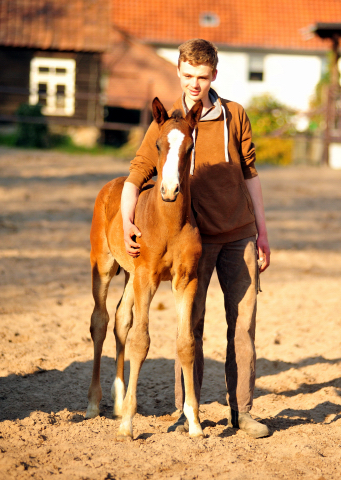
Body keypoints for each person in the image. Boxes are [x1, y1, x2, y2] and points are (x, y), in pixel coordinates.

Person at [121, 38, 271, 439]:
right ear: (179, 72)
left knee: (243, 326)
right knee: (192, 325)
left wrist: (262, 233)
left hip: (239, 233)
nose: (195, 83)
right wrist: (126, 221)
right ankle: (187, 409)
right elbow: (137, 174)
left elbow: (251, 175)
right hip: (195, 240)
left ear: (214, 76)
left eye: (202, 77)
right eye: (188, 75)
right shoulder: (168, 126)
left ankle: (242, 411)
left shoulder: (235, 115)